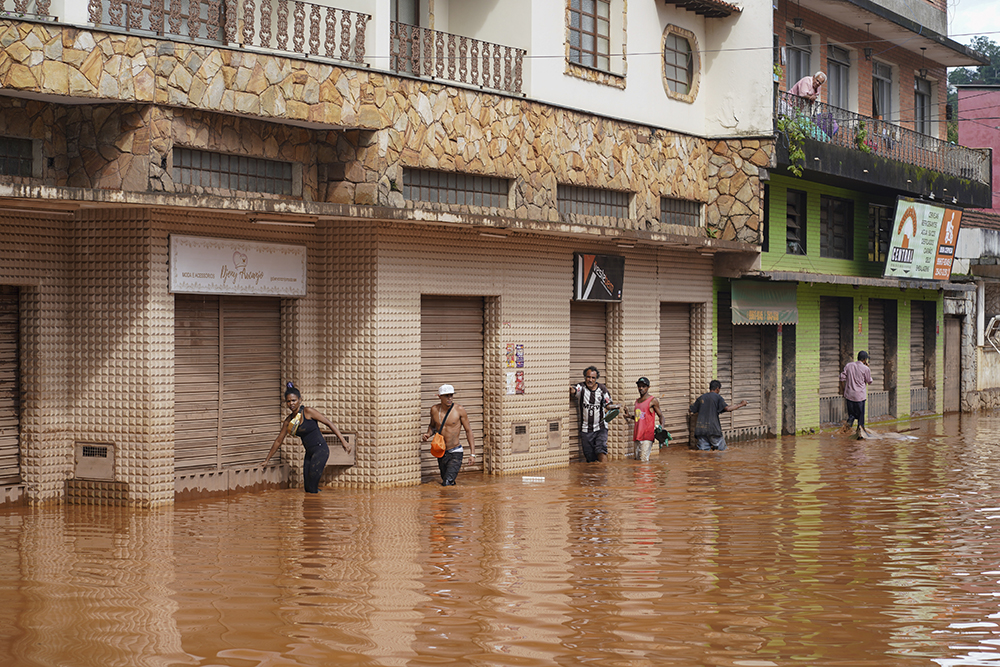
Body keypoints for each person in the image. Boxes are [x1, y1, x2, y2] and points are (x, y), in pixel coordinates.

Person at [262, 382, 351, 493]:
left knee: (312, 487)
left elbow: (328, 423)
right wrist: (267, 460)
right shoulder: (288, 421)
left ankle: (317, 506)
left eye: (294, 400)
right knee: (307, 488)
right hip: (309, 453)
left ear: (300, 400)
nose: (291, 404)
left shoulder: (308, 412)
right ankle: (314, 506)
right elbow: (278, 441)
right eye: (288, 401)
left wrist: (343, 442)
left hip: (321, 451)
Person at [422, 384, 475, 486]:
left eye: (451, 395)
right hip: (441, 451)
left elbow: (469, 431)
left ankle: (448, 499)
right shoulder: (434, 410)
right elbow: (432, 426)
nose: (449, 398)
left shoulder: (459, 410)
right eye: (446, 396)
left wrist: (472, 454)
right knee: (447, 481)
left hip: (455, 452)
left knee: (446, 484)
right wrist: (428, 434)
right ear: (439, 396)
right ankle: (453, 501)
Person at [569, 366, 619, 463]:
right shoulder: (581, 387)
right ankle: (594, 476)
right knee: (590, 458)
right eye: (588, 377)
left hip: (600, 427)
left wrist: (614, 408)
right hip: (586, 429)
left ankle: (604, 474)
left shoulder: (602, 389)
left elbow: (608, 404)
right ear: (585, 377)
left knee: (601, 450)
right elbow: (574, 390)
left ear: (596, 379)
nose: (590, 380)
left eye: (593, 378)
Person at [689, 380, 748, 451]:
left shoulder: (701, 398)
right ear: (717, 388)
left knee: (703, 453)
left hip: (701, 430)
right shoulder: (717, 397)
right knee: (722, 452)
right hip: (713, 430)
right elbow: (727, 408)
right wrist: (741, 404)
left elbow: (691, 410)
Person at [623, 376, 664, 462]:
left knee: (644, 461)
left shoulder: (653, 400)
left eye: (643, 386)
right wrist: (629, 416)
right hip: (637, 436)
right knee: (637, 461)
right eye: (639, 386)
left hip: (647, 436)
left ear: (648, 387)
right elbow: (639, 418)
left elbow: (661, 416)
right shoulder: (637, 401)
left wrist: (662, 428)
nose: (641, 388)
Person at [840, 350, 874, 439]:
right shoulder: (866, 369)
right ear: (865, 359)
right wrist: (867, 369)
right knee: (860, 417)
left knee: (852, 415)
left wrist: (844, 391)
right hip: (860, 397)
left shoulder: (849, 365)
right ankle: (860, 436)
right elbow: (869, 381)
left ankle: (844, 431)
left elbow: (842, 377)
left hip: (849, 396)